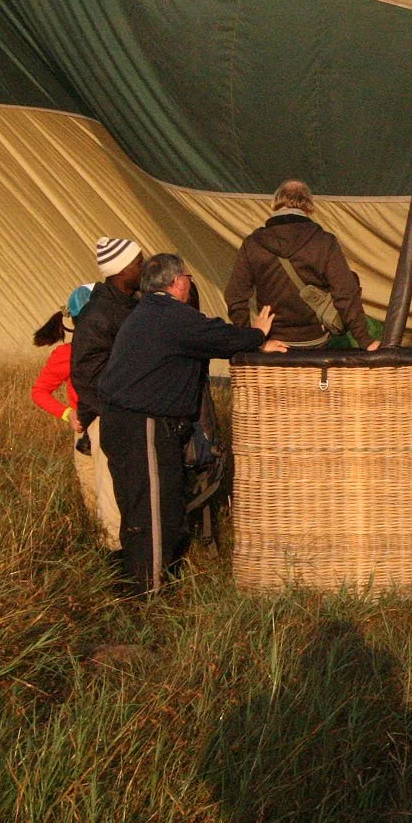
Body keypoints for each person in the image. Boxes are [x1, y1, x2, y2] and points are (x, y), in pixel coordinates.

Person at [95, 253, 280, 594]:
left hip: (129, 422)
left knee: (150, 504)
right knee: (150, 509)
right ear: (177, 281)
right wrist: (257, 335)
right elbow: (219, 337)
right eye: (189, 277)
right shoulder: (170, 316)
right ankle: (147, 591)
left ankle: (142, 580)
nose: (190, 283)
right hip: (143, 424)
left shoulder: (145, 314)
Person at [224, 180, 373, 348]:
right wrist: (364, 339)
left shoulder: (253, 244)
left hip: (273, 345)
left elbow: (234, 296)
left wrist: (253, 342)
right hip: (316, 342)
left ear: (275, 204)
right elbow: (345, 292)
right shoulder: (324, 242)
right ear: (309, 206)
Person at [68, 236, 146, 550]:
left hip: (127, 413)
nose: (143, 267)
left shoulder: (130, 306)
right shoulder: (99, 313)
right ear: (120, 269)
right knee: (112, 491)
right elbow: (84, 370)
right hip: (108, 417)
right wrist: (110, 407)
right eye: (138, 262)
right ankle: (115, 563)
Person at [29, 287, 101, 523]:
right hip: (88, 431)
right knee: (96, 498)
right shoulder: (67, 355)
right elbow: (39, 392)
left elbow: (39, 392)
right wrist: (68, 414)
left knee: (97, 499)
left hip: (92, 431)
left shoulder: (69, 353)